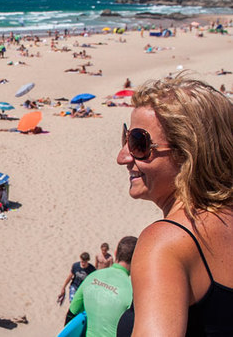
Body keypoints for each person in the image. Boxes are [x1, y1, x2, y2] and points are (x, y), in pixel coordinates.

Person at [115, 76, 233, 336]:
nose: (122, 157)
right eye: (125, 137)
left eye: (138, 143)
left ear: (186, 153)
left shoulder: (165, 243)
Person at [68, 236, 138, 337]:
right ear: (136, 260)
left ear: (115, 253)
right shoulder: (132, 292)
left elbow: (72, 313)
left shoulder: (91, 277)